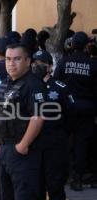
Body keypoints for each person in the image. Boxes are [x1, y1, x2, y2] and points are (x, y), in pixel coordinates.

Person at [0, 43, 46, 200]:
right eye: (8, 59)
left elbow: (38, 116)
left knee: (24, 195)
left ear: (28, 61)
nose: (11, 63)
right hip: (4, 148)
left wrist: (22, 146)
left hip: (22, 152)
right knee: (5, 195)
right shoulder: (6, 82)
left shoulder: (33, 85)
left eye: (17, 59)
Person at [54, 31, 97, 191]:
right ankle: (78, 179)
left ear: (72, 45)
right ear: (87, 45)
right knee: (81, 143)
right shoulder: (93, 64)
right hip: (86, 108)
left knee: (64, 142)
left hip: (66, 108)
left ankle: (63, 175)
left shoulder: (64, 62)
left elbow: (56, 82)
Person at [32, 50, 74, 200]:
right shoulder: (28, 85)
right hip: (33, 144)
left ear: (50, 66)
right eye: (34, 63)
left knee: (55, 185)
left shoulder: (60, 87)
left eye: (41, 64)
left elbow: (70, 115)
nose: (37, 67)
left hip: (55, 143)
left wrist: (61, 134)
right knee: (35, 186)